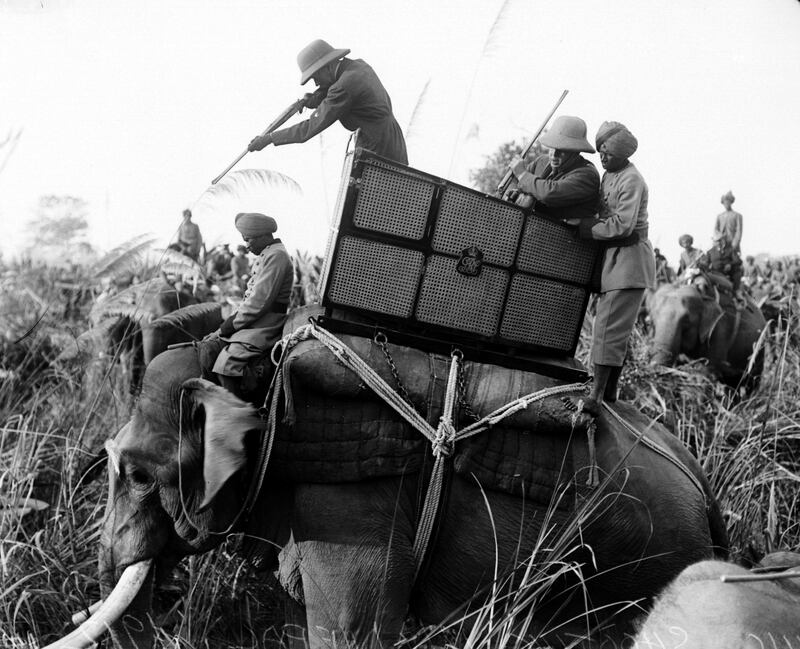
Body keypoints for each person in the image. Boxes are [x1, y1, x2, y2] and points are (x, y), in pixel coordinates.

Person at [574, 121, 655, 415]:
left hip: (629, 259)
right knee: (612, 328)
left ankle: (596, 396)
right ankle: (608, 392)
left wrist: (584, 227)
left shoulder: (631, 179)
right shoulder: (610, 174)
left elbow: (622, 225)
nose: (602, 158)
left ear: (622, 154)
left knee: (608, 328)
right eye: (600, 153)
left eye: (608, 153)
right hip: (615, 259)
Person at [247, 39, 408, 165]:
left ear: (327, 66)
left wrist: (270, 138)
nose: (316, 83)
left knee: (370, 204)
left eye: (316, 77)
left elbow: (310, 127)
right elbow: (332, 88)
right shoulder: (358, 66)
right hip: (392, 142)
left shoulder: (344, 87)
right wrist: (312, 100)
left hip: (378, 150)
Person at [210, 212, 293, 399]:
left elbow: (258, 302)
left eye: (248, 240)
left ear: (264, 235)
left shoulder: (276, 256)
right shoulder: (268, 253)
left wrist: (228, 326)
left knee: (227, 365)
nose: (246, 246)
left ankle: (241, 418)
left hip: (266, 323)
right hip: (257, 319)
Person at [505, 115, 600, 222]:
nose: (554, 154)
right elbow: (514, 180)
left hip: (564, 235)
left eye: (562, 150)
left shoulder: (587, 175)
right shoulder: (542, 162)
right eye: (552, 147)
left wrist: (522, 174)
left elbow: (549, 193)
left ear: (576, 151)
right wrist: (514, 193)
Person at [697, 232, 743, 298]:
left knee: (737, 273)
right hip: (717, 273)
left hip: (731, 273)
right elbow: (706, 263)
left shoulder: (730, 249)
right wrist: (701, 264)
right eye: (715, 241)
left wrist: (730, 264)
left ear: (722, 240)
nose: (717, 242)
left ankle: (737, 293)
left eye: (719, 241)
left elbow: (738, 261)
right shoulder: (710, 251)